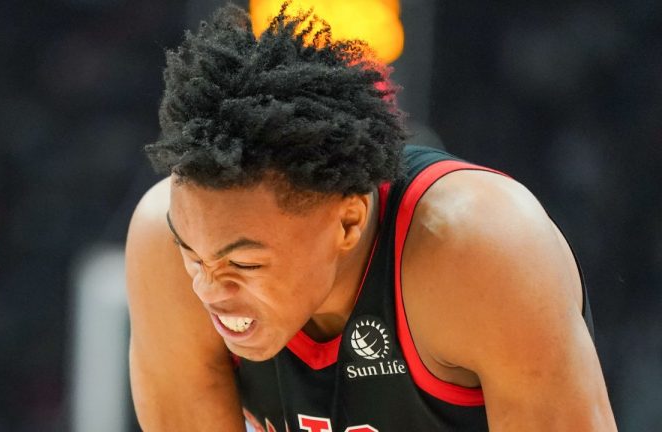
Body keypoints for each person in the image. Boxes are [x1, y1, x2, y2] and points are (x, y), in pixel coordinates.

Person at [125, 4, 616, 431]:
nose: (208, 291)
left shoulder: (481, 248)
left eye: (246, 264)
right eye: (193, 255)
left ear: (349, 223)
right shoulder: (161, 246)